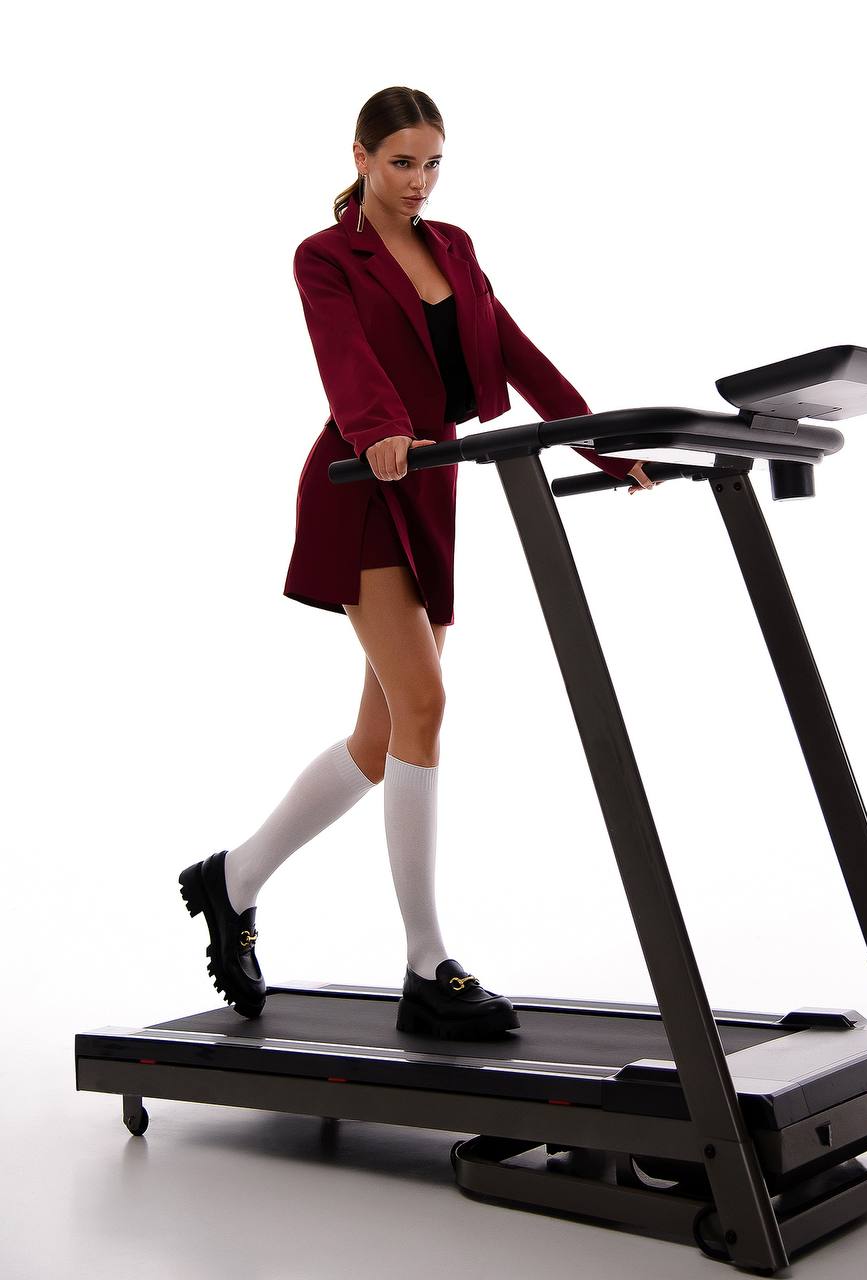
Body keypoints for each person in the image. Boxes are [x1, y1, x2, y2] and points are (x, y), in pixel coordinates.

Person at [178, 86, 658, 1040]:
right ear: (360, 156)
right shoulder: (325, 256)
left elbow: (515, 352)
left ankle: (231, 879)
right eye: (402, 162)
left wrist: (605, 447)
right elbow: (344, 356)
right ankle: (427, 962)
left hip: (432, 486)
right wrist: (381, 429)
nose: (420, 181)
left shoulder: (456, 248)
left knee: (382, 737)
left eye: (433, 163)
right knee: (425, 705)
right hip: (363, 483)